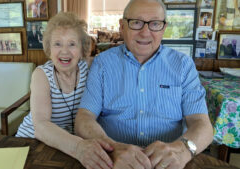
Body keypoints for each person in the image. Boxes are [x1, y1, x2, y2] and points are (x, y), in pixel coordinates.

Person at [75, 0, 213, 169]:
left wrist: (182, 150)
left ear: (163, 28)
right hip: (115, 161)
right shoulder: (102, 64)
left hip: (168, 163)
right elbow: (84, 118)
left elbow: (202, 124)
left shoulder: (183, 65)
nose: (145, 32)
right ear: (122, 26)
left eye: (155, 24)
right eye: (136, 23)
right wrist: (112, 148)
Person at [16, 12, 114, 169]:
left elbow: (115, 61)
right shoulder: (42, 75)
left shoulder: (90, 67)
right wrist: (78, 146)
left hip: (68, 143)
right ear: (48, 47)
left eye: (72, 44)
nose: (64, 51)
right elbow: (41, 125)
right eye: (57, 44)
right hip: (33, 141)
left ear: (83, 48)